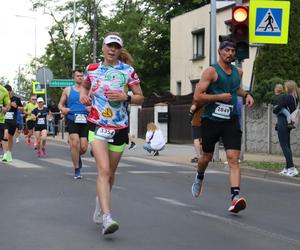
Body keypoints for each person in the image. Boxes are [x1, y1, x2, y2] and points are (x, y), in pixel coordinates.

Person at [80, 32, 144, 235]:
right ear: (103, 48)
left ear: (119, 50)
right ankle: (107, 217)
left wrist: (127, 96)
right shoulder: (92, 69)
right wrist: (84, 96)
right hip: (97, 124)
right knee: (104, 170)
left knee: (111, 174)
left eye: (116, 47)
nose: (112, 49)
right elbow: (84, 86)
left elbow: (141, 98)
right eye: (109, 46)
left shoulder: (128, 71)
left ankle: (100, 206)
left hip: (119, 127)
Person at [191, 39, 254, 213]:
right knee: (206, 157)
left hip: (231, 120)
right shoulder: (211, 71)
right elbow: (198, 96)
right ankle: (199, 176)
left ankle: (235, 197)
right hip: (211, 120)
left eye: (233, 51)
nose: (230, 53)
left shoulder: (238, 72)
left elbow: (236, 90)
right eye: (226, 50)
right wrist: (218, 98)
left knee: (233, 158)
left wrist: (247, 95)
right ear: (220, 52)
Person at [58, 69, 90, 179]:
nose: (80, 77)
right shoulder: (68, 90)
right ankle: (77, 169)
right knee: (75, 143)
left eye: (82, 75)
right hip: (72, 119)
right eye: (78, 76)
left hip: (85, 120)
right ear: (74, 78)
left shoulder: (88, 90)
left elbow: (95, 103)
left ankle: (75, 155)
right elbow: (60, 104)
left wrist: (91, 108)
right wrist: (63, 109)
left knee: (84, 147)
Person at [273, 80, 299, 177]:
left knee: (284, 146)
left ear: (288, 88)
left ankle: (291, 168)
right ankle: (288, 168)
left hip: (283, 122)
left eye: (285, 87)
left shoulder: (286, 97)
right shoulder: (294, 98)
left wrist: (274, 109)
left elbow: (276, 109)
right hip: (288, 123)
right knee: (287, 145)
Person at [2, 85, 23, 162]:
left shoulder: (16, 99)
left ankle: (9, 153)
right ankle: (5, 154)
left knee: (10, 138)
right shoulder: (3, 99)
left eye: (8, 92)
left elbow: (22, 109)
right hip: (5, 121)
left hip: (13, 122)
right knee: (5, 134)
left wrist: (16, 106)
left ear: (11, 91)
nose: (7, 93)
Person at [0, 84, 11, 159]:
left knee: (3, 137)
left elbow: (8, 106)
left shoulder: (4, 91)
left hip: (0, 119)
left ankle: (5, 155)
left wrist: (4, 109)